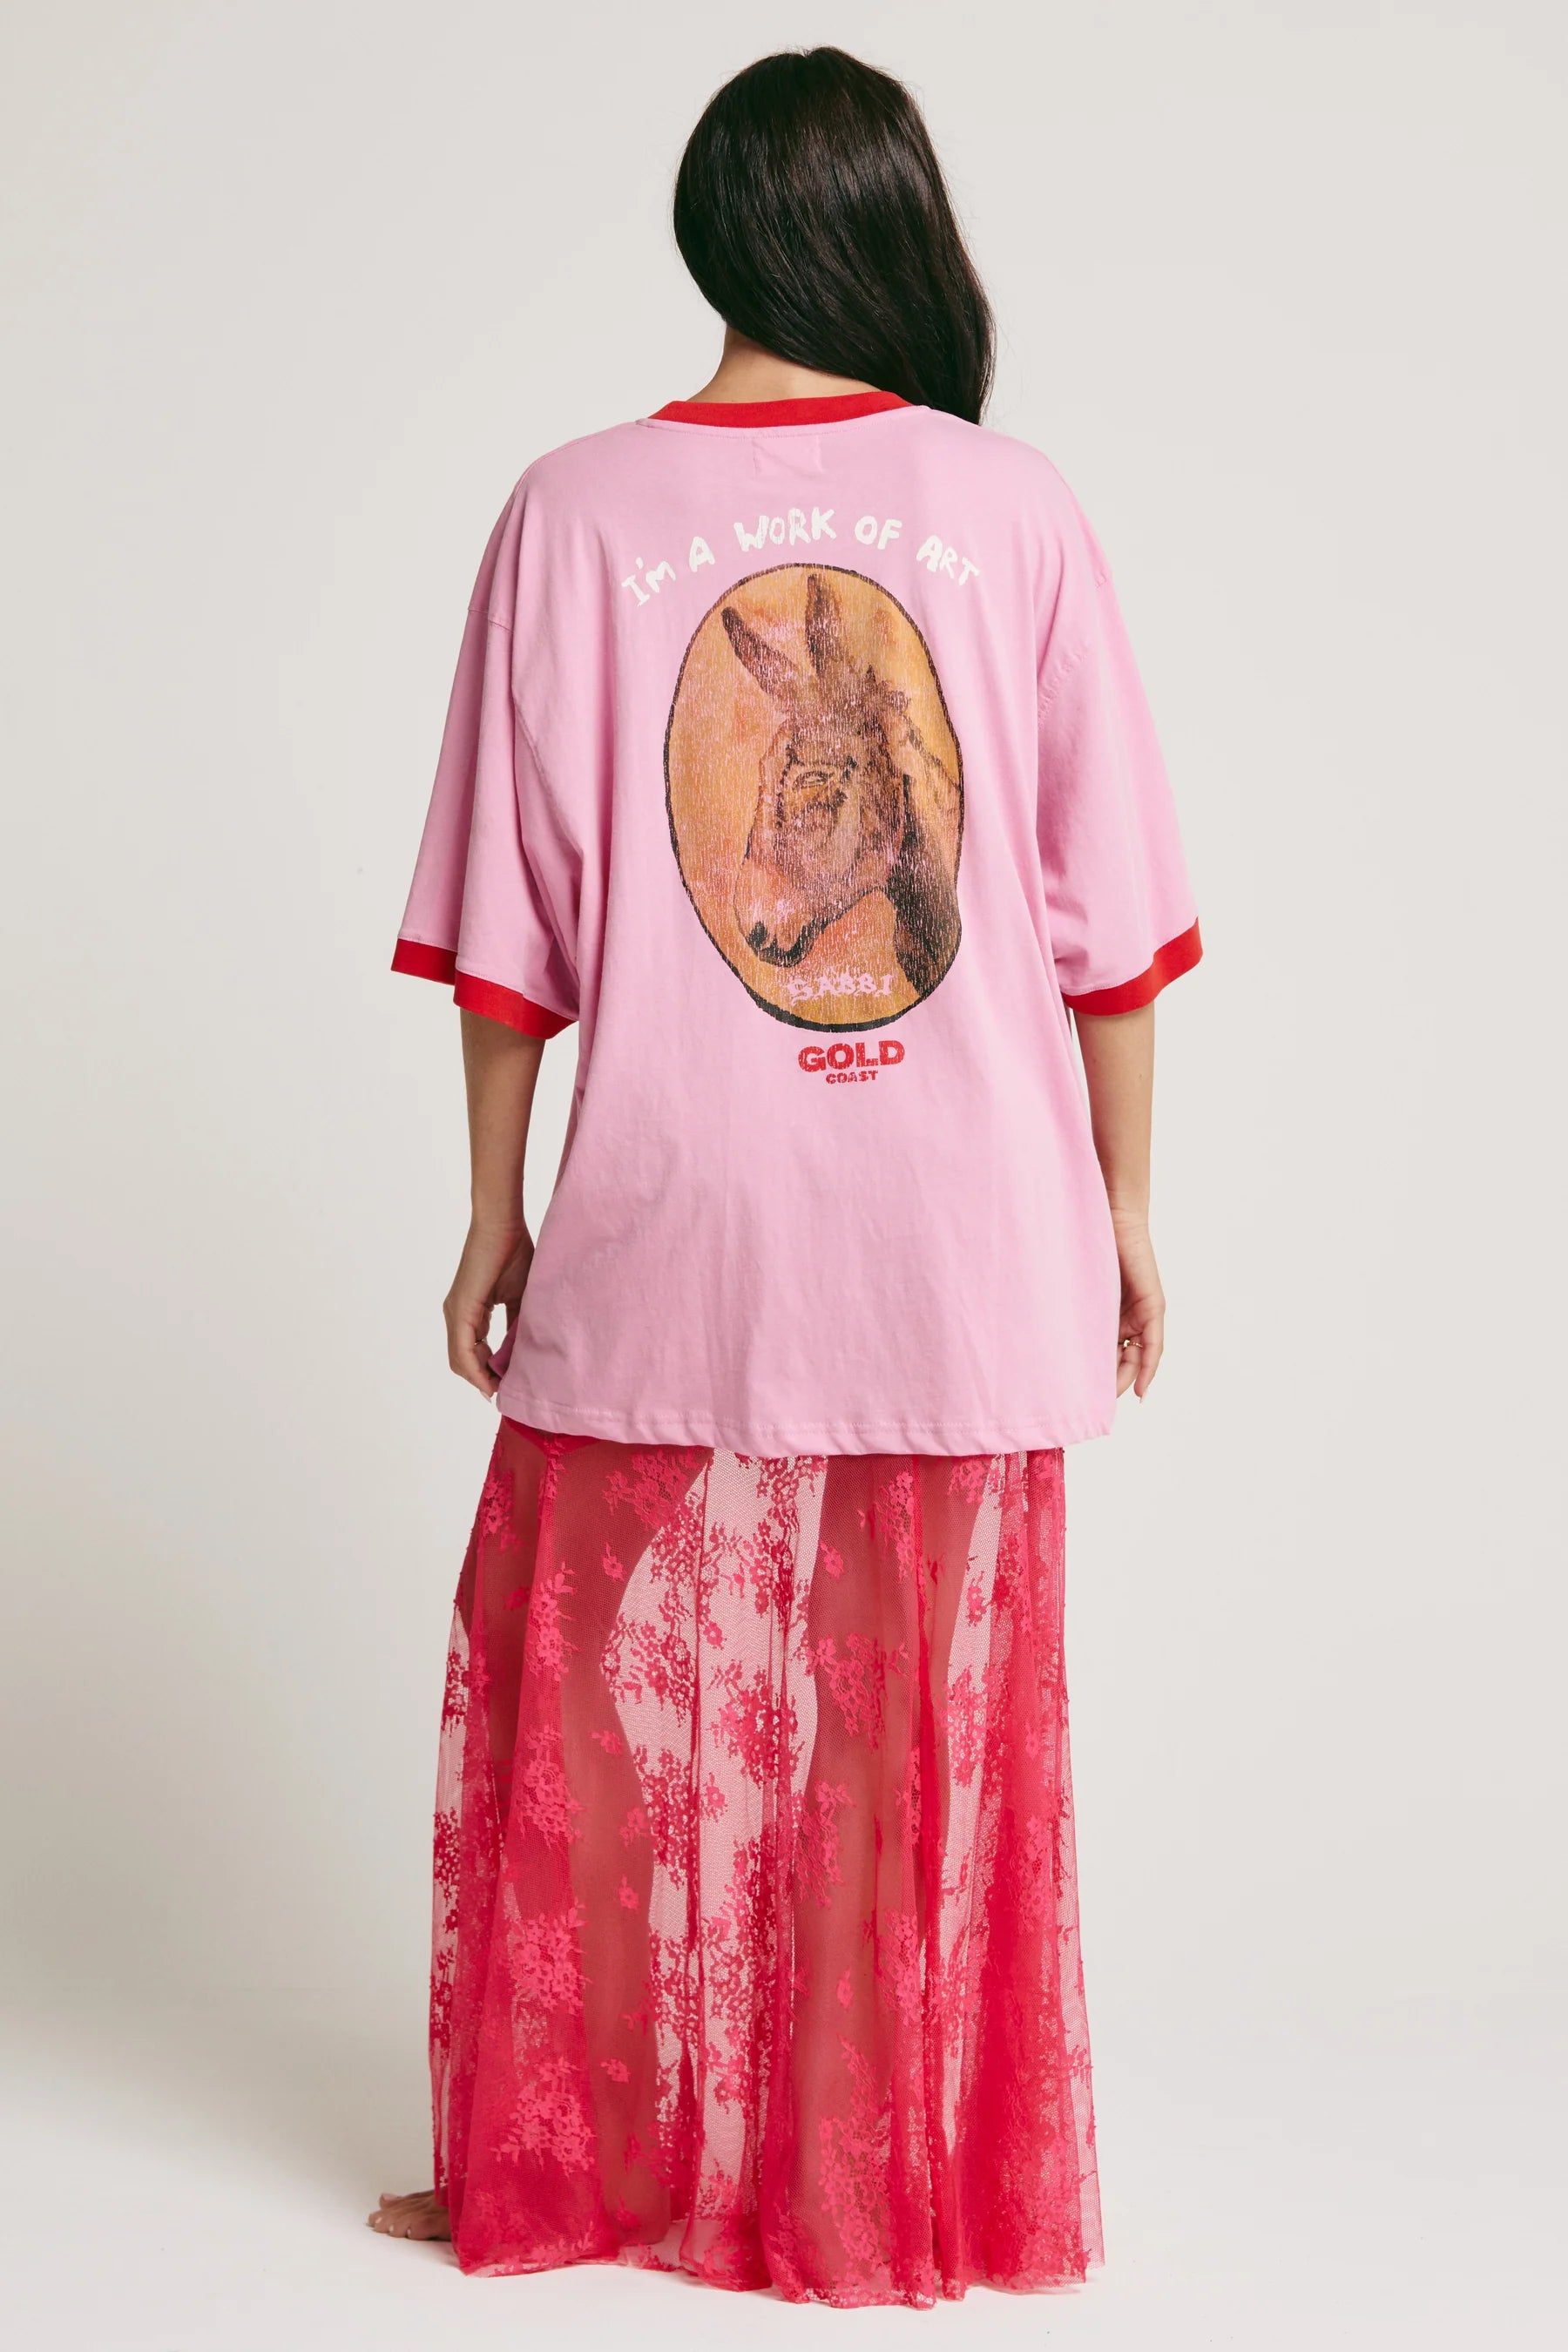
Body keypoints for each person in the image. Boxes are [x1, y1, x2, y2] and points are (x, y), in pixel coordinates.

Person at [369, 44, 1200, 2308]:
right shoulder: (1013, 506)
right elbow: (1107, 924)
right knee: (905, 1704)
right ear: (896, 230)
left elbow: (514, 926)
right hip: (965, 1221)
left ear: (712, 229)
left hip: (674, 1205)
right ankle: (861, 2186)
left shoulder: (571, 507)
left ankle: (586, 2162)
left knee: (599, 1690)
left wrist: (495, 1207)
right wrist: (1126, 1206)